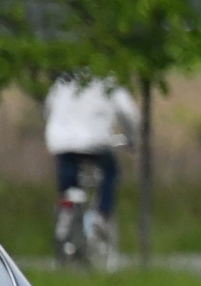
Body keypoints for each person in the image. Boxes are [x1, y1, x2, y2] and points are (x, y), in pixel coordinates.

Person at [45, 75, 138, 237]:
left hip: (62, 141)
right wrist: (132, 139)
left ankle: (67, 207)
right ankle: (102, 214)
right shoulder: (109, 81)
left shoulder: (64, 80)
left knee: (68, 171)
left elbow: (48, 107)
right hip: (96, 141)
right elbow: (128, 113)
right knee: (110, 171)